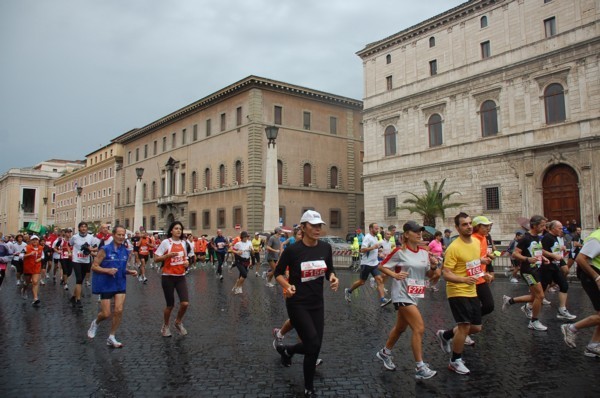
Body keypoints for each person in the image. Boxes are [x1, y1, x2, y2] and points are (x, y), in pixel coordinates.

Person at [274, 210, 339, 397]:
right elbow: (277, 273)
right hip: (297, 303)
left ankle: (287, 351)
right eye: (313, 225)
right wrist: (287, 286)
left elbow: (329, 269)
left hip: (317, 303)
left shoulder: (325, 248)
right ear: (303, 227)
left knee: (314, 346)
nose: (318, 229)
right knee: (312, 342)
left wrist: (333, 277)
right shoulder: (293, 250)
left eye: (320, 225)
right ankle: (308, 388)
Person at [375, 221, 438, 379]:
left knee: (400, 328)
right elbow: (382, 266)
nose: (419, 234)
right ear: (406, 234)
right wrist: (395, 275)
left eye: (420, 232)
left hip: (415, 295)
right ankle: (420, 367)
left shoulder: (424, 253)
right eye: (416, 231)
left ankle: (385, 352)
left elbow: (429, 276)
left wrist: (433, 267)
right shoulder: (399, 252)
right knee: (419, 328)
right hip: (401, 295)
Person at [435, 212, 483, 375]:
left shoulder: (476, 242)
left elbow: (472, 264)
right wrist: (463, 280)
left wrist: (484, 272)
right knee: (464, 327)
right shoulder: (453, 247)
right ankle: (455, 361)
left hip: (472, 290)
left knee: (476, 327)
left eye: (470, 223)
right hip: (457, 291)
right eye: (464, 224)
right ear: (457, 228)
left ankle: (446, 334)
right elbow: (446, 274)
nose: (469, 226)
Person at [87, 226, 138, 348]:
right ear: (113, 235)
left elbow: (121, 269)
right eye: (119, 234)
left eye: (123, 235)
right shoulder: (104, 250)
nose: (121, 237)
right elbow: (94, 266)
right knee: (106, 314)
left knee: (119, 310)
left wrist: (129, 272)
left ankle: (112, 336)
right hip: (106, 284)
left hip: (120, 283)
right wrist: (107, 270)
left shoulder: (126, 251)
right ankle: (96, 322)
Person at [502, 215, 550, 331]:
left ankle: (510, 301)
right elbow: (515, 254)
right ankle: (534, 321)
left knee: (534, 297)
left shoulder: (537, 238)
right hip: (528, 271)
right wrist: (527, 259)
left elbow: (535, 251)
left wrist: (543, 258)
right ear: (534, 225)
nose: (544, 228)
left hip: (536, 269)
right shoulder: (525, 238)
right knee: (540, 296)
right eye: (542, 225)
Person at [561, 215, 600, 357]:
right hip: (592, 276)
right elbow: (580, 259)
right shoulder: (597, 237)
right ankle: (571, 328)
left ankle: (593, 345)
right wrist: (597, 278)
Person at [154, 221, 190, 337]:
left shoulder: (184, 243)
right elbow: (156, 258)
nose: (178, 230)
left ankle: (178, 322)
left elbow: (186, 258)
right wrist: (167, 256)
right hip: (168, 277)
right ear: (171, 231)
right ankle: (165, 325)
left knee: (185, 303)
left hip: (180, 276)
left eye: (180, 228)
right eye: (176, 228)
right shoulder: (166, 242)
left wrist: (186, 263)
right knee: (170, 305)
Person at [344, 222, 391, 307]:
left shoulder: (375, 237)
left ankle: (383, 299)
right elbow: (362, 250)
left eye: (378, 228)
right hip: (366, 264)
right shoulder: (367, 238)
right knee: (362, 282)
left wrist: (379, 253)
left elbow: (375, 249)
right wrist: (373, 247)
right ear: (370, 229)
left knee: (379, 280)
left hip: (374, 263)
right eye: (376, 228)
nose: (377, 230)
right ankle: (349, 291)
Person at [540, 220, 576, 320]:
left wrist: (560, 248)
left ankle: (562, 309)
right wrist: (553, 255)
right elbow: (542, 250)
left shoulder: (555, 237)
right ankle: (527, 306)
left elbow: (552, 249)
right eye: (559, 228)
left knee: (564, 285)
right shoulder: (547, 237)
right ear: (552, 228)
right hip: (547, 267)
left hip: (555, 266)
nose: (561, 230)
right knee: (541, 291)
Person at [69, 222, 100, 309]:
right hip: (76, 260)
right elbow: (70, 244)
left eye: (85, 227)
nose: (83, 228)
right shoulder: (74, 237)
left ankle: (74, 296)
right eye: (82, 227)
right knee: (78, 279)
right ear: (79, 229)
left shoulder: (91, 237)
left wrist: (91, 249)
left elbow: (99, 245)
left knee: (81, 280)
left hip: (86, 261)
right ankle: (78, 300)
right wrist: (70, 252)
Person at [21, 235, 44, 306]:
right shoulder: (27, 247)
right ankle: (24, 290)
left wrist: (39, 259)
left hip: (36, 267)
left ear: (38, 241)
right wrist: (29, 254)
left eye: (36, 240)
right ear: (31, 241)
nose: (35, 241)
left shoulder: (41, 248)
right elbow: (20, 256)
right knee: (27, 282)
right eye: (33, 240)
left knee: (35, 282)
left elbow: (43, 256)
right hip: (28, 267)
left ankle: (35, 298)